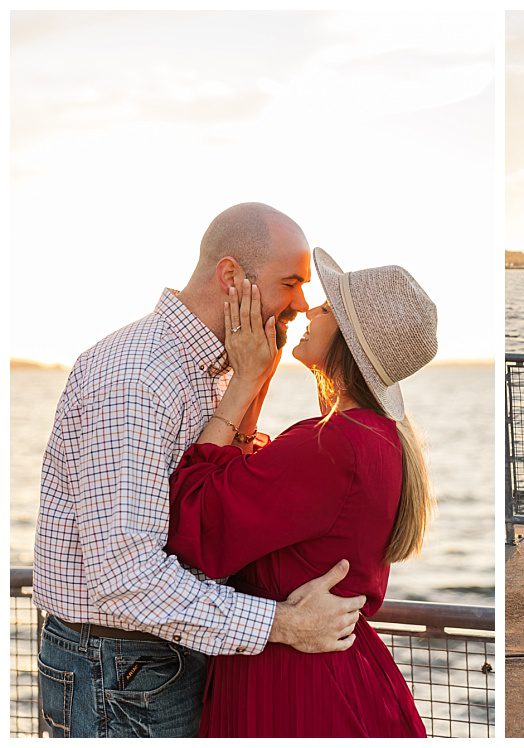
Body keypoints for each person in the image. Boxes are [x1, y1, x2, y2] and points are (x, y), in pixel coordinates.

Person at [33, 204, 364, 738]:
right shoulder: (136, 376)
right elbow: (126, 578)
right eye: (291, 283)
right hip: (118, 666)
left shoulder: (210, 369)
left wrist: (255, 383)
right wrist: (285, 625)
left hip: (156, 655)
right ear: (231, 276)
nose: (302, 305)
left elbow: (209, 500)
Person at [164, 249, 436, 737]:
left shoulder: (331, 444)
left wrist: (244, 380)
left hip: (293, 686)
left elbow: (194, 515)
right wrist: (259, 383)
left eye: (328, 308)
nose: (310, 309)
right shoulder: (379, 437)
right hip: (339, 672)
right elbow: (246, 486)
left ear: (349, 344)